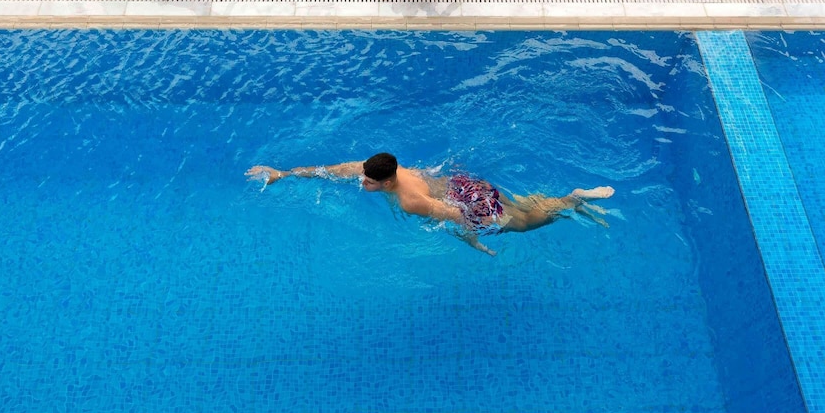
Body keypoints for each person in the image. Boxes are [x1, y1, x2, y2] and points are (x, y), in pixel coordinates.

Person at [246, 152, 614, 256]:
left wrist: (474, 241)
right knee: (523, 205)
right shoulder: (382, 167)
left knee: (527, 222)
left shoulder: (409, 201)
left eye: (369, 182)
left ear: (387, 182)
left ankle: (573, 199)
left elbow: (455, 214)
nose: (362, 182)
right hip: (466, 184)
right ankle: (570, 202)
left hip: (469, 205)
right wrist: (285, 173)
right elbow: (330, 171)